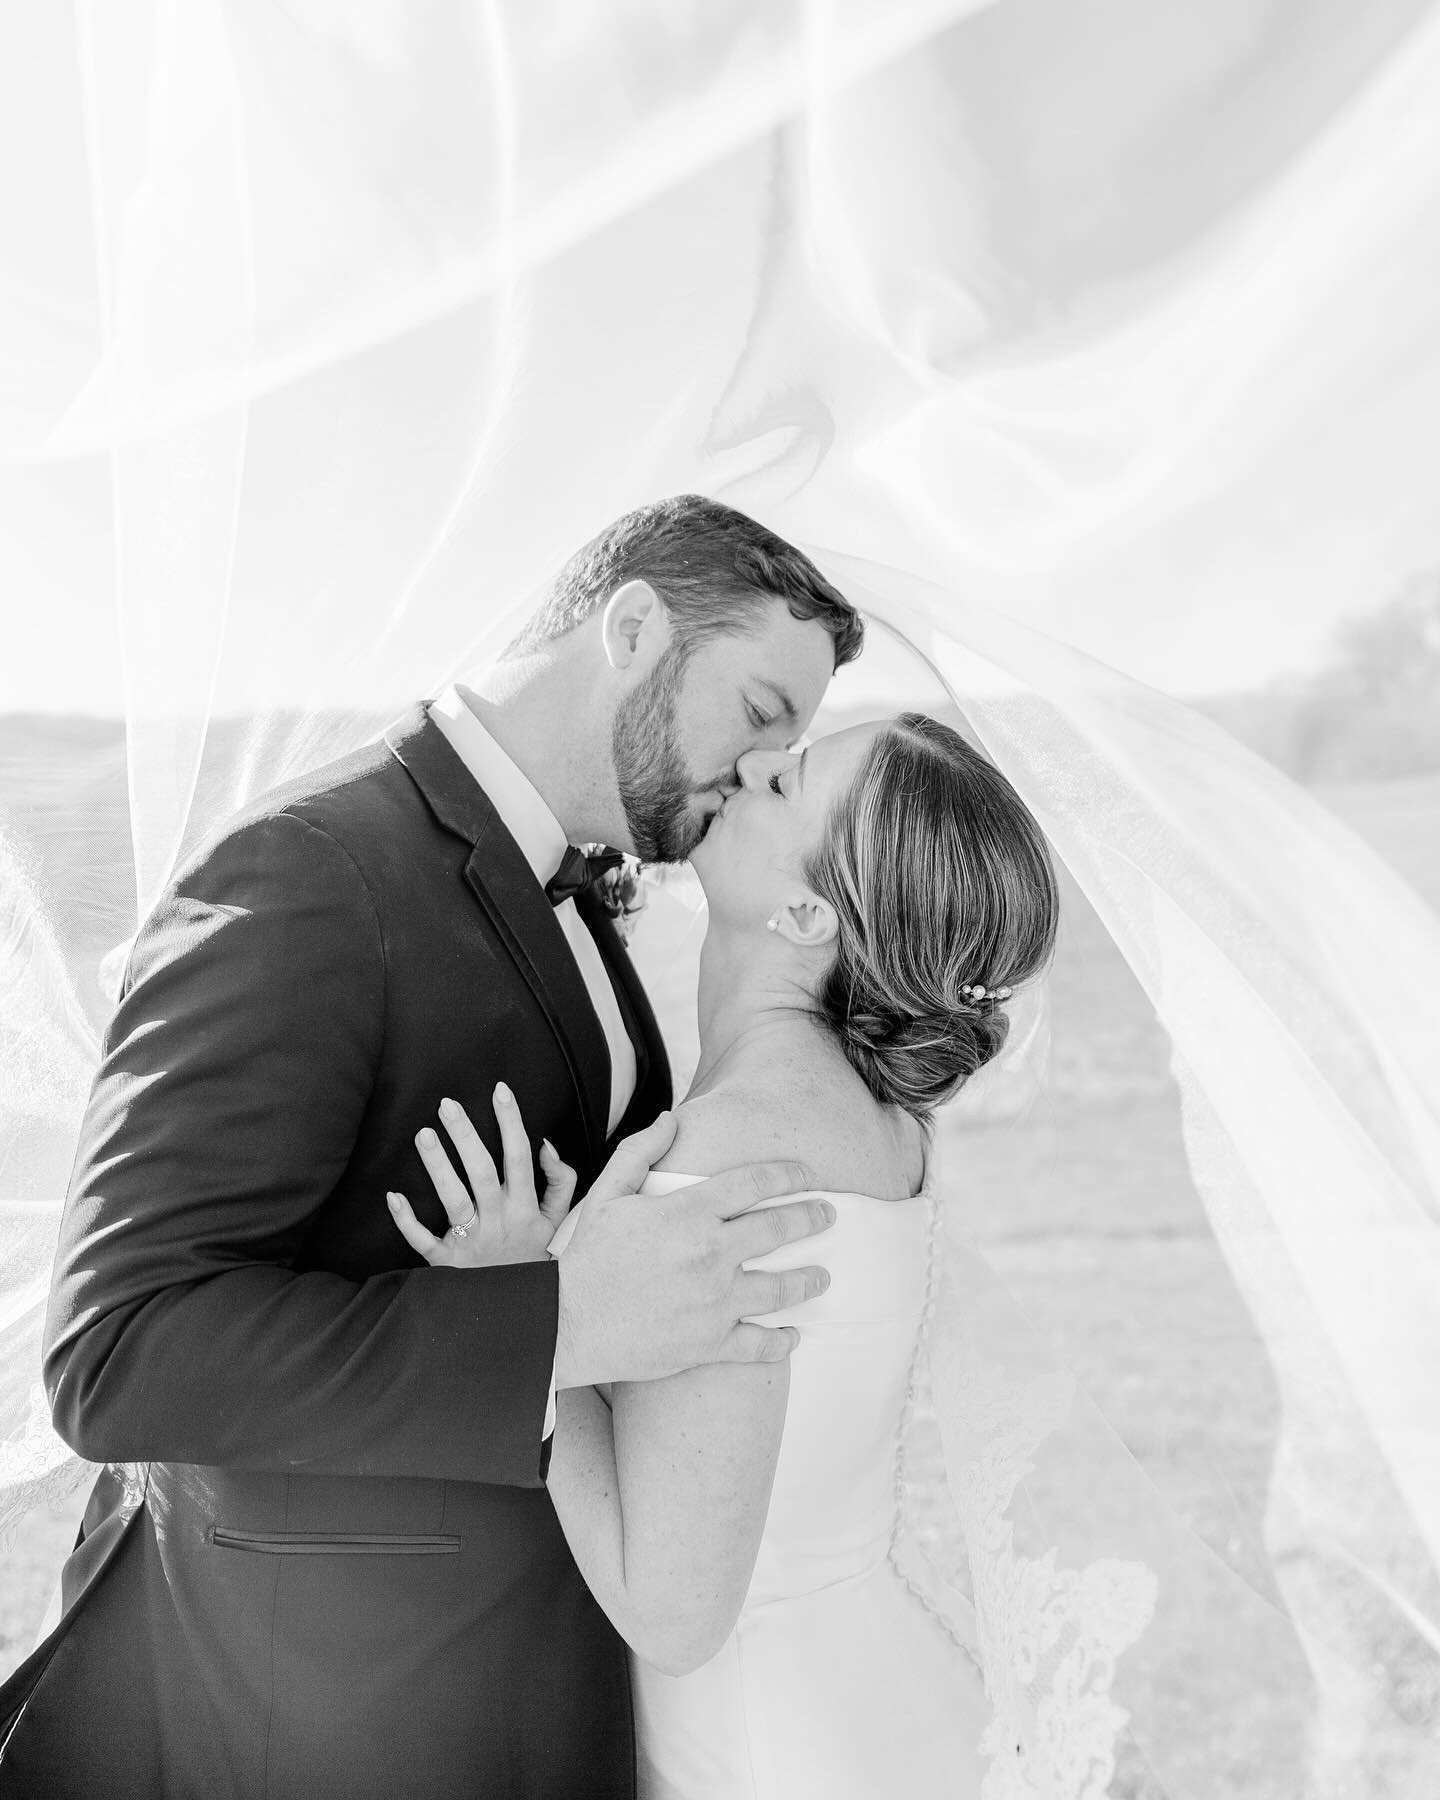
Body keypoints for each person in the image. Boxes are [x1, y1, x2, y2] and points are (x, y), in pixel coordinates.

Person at [0, 496, 863, 1799]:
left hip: (514, 1691)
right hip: (298, 1713)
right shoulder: (308, 873)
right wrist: (562, 1324)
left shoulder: (577, 888)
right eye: (758, 714)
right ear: (633, 629)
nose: (758, 774)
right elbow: (119, 1353)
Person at [393, 710, 1061, 1798]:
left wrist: (525, 1316)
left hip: (769, 1753)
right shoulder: (885, 1123)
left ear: (806, 912)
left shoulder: (732, 1155)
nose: (752, 765)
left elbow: (674, 1611)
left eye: (788, 782)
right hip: (882, 1702)